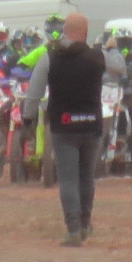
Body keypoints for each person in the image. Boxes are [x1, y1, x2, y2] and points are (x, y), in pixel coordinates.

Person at [44, 14, 107, 245]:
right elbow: (120, 67)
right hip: (91, 125)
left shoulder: (50, 58)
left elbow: (34, 91)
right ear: (85, 31)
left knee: (68, 179)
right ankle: (84, 223)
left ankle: (73, 230)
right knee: (87, 177)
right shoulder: (97, 57)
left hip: (64, 127)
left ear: (64, 31)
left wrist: (30, 116)